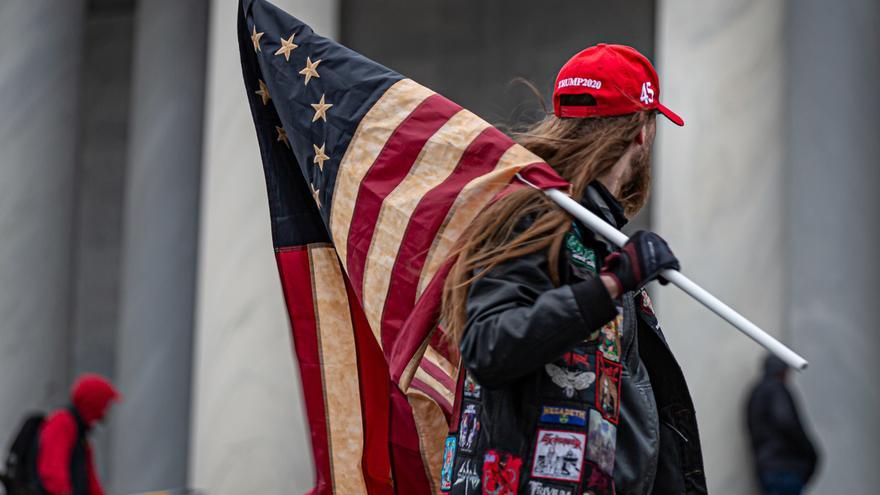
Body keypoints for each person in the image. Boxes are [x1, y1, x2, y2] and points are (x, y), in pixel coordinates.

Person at [439, 44, 706, 494]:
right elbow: (489, 344)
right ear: (642, 131)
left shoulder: (589, 228)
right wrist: (609, 287)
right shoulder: (532, 216)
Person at [37, 374, 121, 495]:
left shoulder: (80, 433)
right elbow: (52, 473)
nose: (105, 411)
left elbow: (91, 481)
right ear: (94, 402)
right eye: (105, 404)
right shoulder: (62, 422)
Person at [747, 355, 819, 495]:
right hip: (785, 467)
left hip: (767, 466)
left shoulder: (756, 393)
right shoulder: (776, 390)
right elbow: (786, 422)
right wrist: (810, 452)